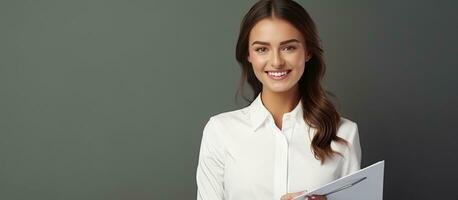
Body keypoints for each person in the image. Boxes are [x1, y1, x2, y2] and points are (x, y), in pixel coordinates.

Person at [195, 0, 361, 199]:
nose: (276, 62)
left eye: (288, 47)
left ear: (307, 51)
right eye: (262, 49)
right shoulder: (220, 132)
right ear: (248, 54)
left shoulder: (344, 134)